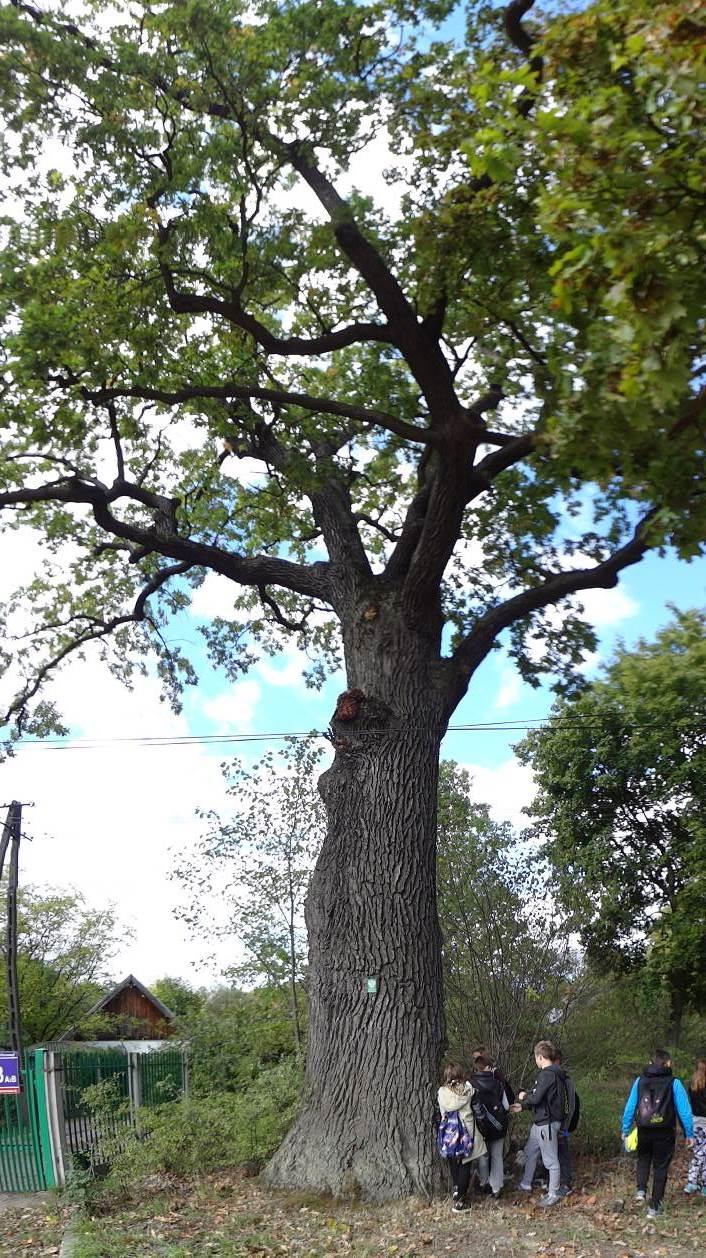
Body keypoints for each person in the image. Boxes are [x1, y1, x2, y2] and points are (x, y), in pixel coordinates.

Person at [621, 1048, 694, 1219]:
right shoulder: (674, 1083)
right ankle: (654, 1208)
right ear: (668, 1063)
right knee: (661, 1167)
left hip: (644, 1129)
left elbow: (630, 1107)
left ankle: (640, 1190)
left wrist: (625, 1129)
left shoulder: (640, 1081)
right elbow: (684, 1111)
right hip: (665, 1131)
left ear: (650, 1063)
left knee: (643, 1158)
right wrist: (688, 1133)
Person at [510, 1039, 567, 1208]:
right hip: (541, 1122)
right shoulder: (555, 1074)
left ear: (540, 1057)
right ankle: (526, 1183)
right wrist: (524, 1106)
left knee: (550, 1160)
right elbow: (541, 1097)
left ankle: (553, 1194)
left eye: (535, 1057)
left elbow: (537, 1097)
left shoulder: (547, 1074)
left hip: (546, 1124)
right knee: (530, 1151)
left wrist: (524, 1097)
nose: (535, 1061)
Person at [438, 1061, 488, 1212]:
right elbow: (477, 1110)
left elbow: (441, 1112)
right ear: (461, 1075)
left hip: (450, 1132)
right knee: (465, 1163)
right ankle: (460, 1201)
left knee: (454, 1160)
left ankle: (456, 1189)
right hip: (468, 1131)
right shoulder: (468, 1089)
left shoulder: (442, 1092)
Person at [471, 1052, 512, 1200]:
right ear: (488, 1067)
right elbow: (506, 1106)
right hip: (498, 1126)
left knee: (483, 1156)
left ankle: (484, 1183)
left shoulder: (471, 1084)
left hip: (479, 1126)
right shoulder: (498, 1084)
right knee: (497, 1156)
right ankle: (496, 1188)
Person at [553, 1047, 579, 1198]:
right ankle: (554, 1181)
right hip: (551, 1124)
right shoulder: (550, 1077)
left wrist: (566, 1126)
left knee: (563, 1153)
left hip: (562, 1125)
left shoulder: (565, 1080)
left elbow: (570, 1105)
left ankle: (566, 1183)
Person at [684, 1057, 706, 1196]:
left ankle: (697, 1183)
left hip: (695, 1121)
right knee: (702, 1154)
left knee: (699, 1152)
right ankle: (693, 1182)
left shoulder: (692, 1085)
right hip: (705, 1122)